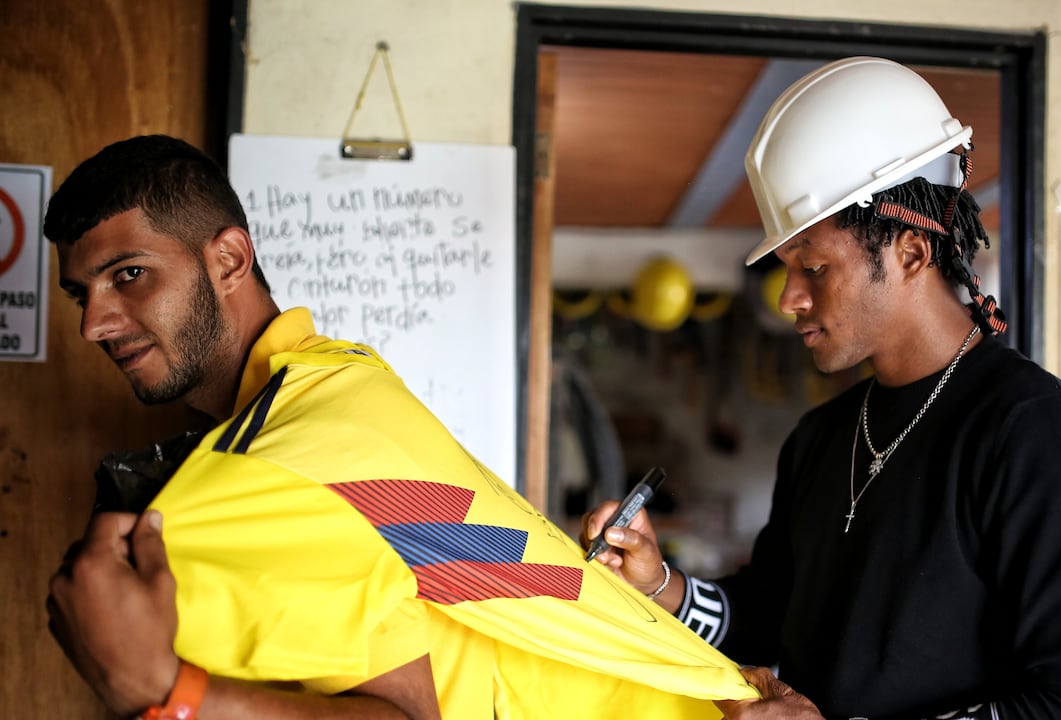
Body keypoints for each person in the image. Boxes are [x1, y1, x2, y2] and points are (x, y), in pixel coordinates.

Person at [43, 135, 755, 720]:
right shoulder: (339, 373)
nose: (93, 324)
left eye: (128, 274)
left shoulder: (282, 461)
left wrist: (166, 695)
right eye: (83, 293)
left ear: (229, 259)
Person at [583, 57, 1061, 720]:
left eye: (814, 268)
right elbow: (768, 622)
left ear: (911, 252)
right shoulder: (820, 438)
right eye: (789, 269)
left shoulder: (1034, 433)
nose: (791, 297)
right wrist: (663, 586)